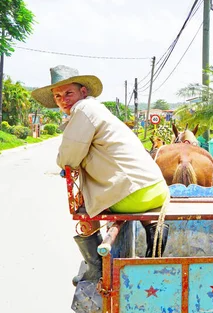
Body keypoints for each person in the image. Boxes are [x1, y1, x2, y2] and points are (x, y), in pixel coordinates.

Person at [31, 65, 170, 285]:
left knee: (86, 208)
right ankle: (153, 243)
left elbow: (68, 157)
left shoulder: (83, 109)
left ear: (83, 92)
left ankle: (95, 269)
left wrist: (64, 161)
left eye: (69, 93)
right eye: (58, 96)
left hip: (131, 195)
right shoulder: (97, 110)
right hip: (156, 191)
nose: (63, 100)